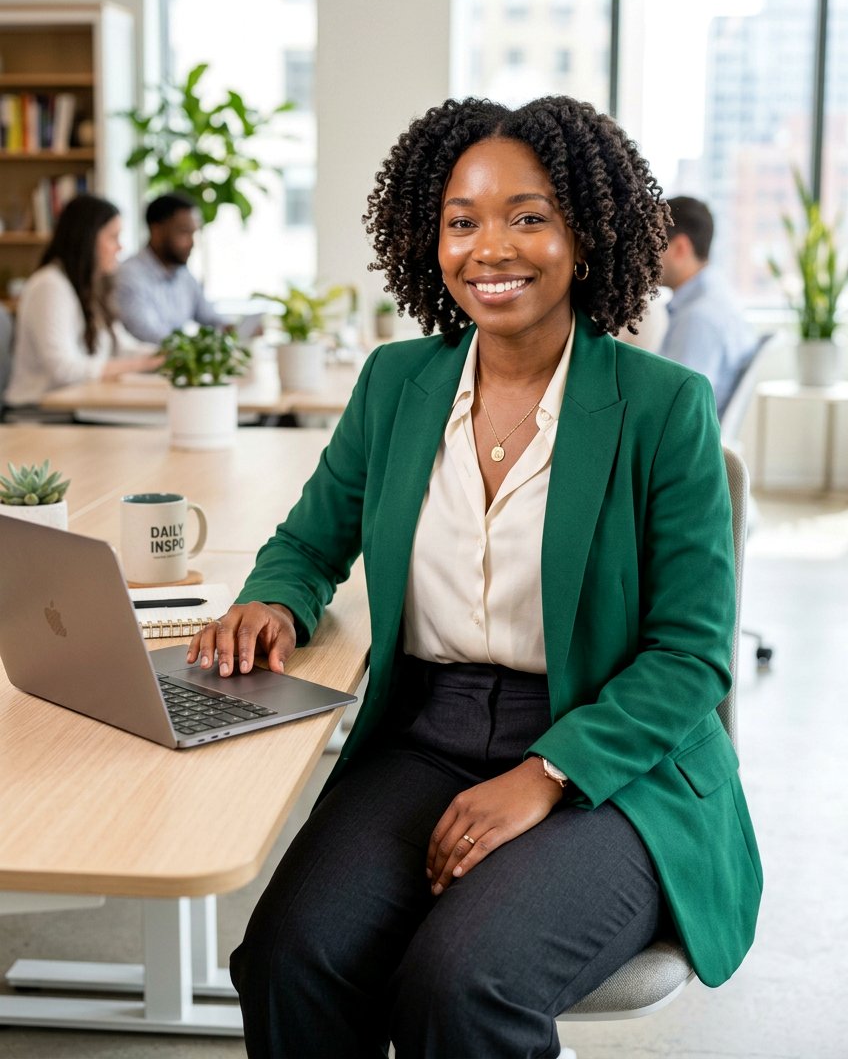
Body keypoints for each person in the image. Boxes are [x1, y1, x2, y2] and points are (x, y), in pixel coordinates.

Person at [188, 96, 762, 1059]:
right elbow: (308, 542)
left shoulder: (663, 407)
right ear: (430, 239)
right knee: (289, 957)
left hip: (612, 762)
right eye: (463, 221)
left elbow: (693, 655)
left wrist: (546, 773)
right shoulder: (396, 384)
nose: (490, 248)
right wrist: (272, 601)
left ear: (588, 234)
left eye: (528, 217)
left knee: (461, 985)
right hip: (424, 735)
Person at [5, 195, 161, 407]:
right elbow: (65, 370)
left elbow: (122, 347)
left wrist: (164, 354)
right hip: (38, 411)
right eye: (113, 237)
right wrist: (143, 364)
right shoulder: (50, 285)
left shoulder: (89, 286)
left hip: (75, 405)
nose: (120, 248)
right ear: (87, 239)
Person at [660, 195, 757, 418]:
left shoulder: (698, 317)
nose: (642, 255)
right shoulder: (717, 295)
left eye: (652, 244)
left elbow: (676, 410)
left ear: (680, 248)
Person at [115, 192, 222, 343]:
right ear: (157, 231)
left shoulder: (183, 273)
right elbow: (150, 335)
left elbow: (209, 315)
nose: (192, 243)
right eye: (184, 232)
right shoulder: (128, 275)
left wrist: (235, 328)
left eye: (194, 233)